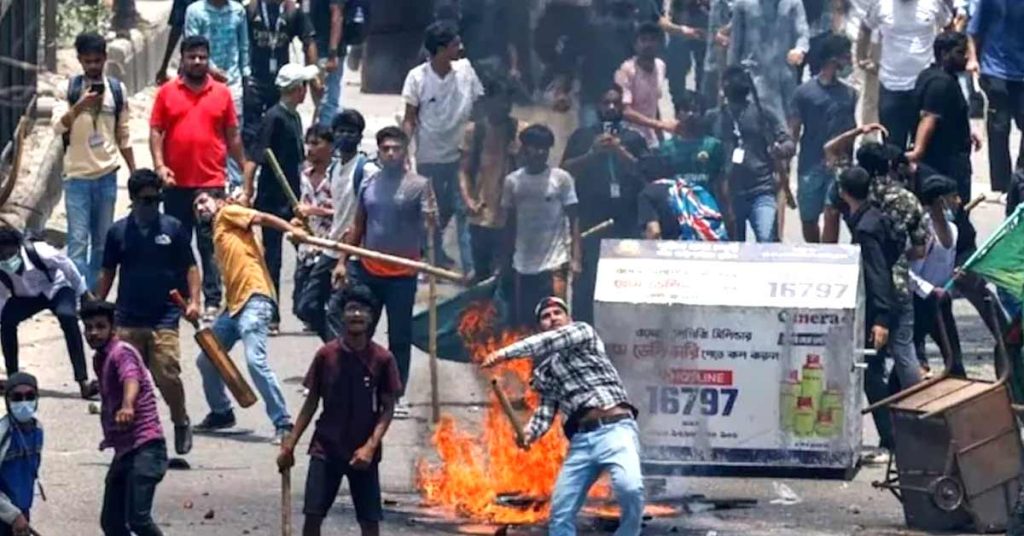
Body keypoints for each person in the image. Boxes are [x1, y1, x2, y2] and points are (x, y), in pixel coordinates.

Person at [481, 296, 643, 536]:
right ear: (541, 326)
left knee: (629, 488)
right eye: (546, 317)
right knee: (560, 511)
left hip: (615, 429)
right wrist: (528, 434)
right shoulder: (546, 372)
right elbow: (545, 412)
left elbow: (548, 341)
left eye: (558, 313)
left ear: (569, 319)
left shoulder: (583, 333)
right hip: (581, 443)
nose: (553, 318)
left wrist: (503, 354)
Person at [277, 284, 400, 536]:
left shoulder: (382, 359)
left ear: (371, 317)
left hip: (362, 453)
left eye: (362, 310)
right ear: (342, 315)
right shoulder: (326, 355)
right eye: (351, 309)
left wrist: (370, 447)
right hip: (326, 448)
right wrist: (290, 444)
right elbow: (311, 402)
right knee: (313, 517)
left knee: (369, 522)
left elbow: (388, 409)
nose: (357, 315)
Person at [333, 127, 436, 419]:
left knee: (400, 336)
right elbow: (358, 225)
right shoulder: (369, 184)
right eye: (386, 149)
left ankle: (395, 394)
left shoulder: (419, 185)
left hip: (403, 274)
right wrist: (342, 261)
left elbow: (431, 229)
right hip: (368, 269)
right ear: (378, 152)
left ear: (405, 152)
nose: (391, 153)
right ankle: (357, 387)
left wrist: (430, 221)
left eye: (396, 148)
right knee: (359, 330)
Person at [96, 169, 200, 457]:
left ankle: (180, 420)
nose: (152, 206)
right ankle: (131, 438)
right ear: (133, 200)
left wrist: (194, 301)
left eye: (156, 199)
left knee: (167, 373)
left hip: (164, 315)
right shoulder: (118, 232)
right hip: (128, 316)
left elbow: (191, 267)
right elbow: (107, 271)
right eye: (146, 200)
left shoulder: (173, 228)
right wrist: (96, 305)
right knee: (126, 379)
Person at [150, 35, 251, 323]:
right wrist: (160, 166)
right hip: (175, 183)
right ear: (182, 59)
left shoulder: (222, 93)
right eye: (192, 57)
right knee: (177, 242)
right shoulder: (167, 92)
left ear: (208, 60)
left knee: (210, 243)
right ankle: (181, 298)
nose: (197, 62)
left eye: (202, 57)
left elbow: (232, 134)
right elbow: (156, 130)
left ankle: (212, 299)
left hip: (211, 182)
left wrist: (244, 168)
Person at [191, 190, 303, 442]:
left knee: (255, 361)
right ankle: (221, 412)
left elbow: (262, 217)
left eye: (203, 201)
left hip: (255, 299)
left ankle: (283, 423)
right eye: (195, 206)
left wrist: (290, 230)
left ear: (219, 201)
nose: (199, 208)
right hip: (233, 307)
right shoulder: (219, 234)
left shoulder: (227, 213)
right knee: (207, 359)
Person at [54, 32, 135, 290]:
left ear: (105, 58)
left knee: (102, 243)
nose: (93, 66)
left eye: (97, 61)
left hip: (106, 176)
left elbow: (123, 134)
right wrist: (80, 105)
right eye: (87, 61)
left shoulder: (116, 91)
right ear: (79, 60)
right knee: (78, 242)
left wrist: (134, 172)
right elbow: (57, 126)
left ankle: (96, 297)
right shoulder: (68, 89)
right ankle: (81, 297)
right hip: (76, 178)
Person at [402, 20, 484, 273]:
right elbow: (409, 118)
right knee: (434, 210)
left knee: (463, 209)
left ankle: (470, 268)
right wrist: (404, 151)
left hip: (462, 155)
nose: (460, 48)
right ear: (439, 49)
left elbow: (479, 107)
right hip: (430, 156)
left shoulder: (466, 71)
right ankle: (434, 255)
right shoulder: (417, 78)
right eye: (455, 44)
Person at [244, 63, 320, 333]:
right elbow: (255, 157)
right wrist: (247, 191)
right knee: (273, 258)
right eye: (304, 87)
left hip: (294, 198)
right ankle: (272, 315)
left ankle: (309, 309)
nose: (306, 92)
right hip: (272, 198)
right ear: (297, 89)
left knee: (309, 252)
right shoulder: (273, 118)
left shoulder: (295, 117)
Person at [81, 300, 167, 536]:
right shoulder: (100, 358)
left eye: (100, 326)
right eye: (88, 328)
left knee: (139, 520)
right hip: (125, 450)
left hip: (146, 447)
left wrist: (128, 406)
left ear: (113, 328)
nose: (93, 333)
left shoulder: (122, 352)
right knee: (112, 523)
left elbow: (131, 378)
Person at [562, 84, 647, 322]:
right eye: (606, 103)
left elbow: (647, 172)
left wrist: (620, 151)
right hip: (591, 218)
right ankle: (583, 326)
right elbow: (565, 170)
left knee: (626, 279)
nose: (610, 108)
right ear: (598, 107)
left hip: (626, 219)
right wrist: (592, 154)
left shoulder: (634, 138)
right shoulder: (582, 136)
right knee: (587, 279)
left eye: (616, 103)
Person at [296, 109, 379, 342]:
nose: (345, 136)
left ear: (360, 137)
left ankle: (345, 354)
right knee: (307, 305)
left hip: (354, 252)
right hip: (331, 247)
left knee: (336, 309)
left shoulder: (367, 170)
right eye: (341, 131)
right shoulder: (334, 169)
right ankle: (340, 350)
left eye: (351, 132)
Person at [837, 166, 902, 458]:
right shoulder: (874, 216)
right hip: (884, 305)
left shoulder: (866, 229)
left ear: (844, 192)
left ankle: (891, 439)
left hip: (877, 311)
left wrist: (881, 319)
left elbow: (877, 274)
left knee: (873, 376)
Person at [0, 227, 96, 399]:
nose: (7, 259)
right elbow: (1, 296)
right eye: (2, 256)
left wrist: (84, 293)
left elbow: (67, 266)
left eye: (10, 254)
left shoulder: (40, 252)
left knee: (67, 317)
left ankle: (83, 381)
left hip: (56, 289)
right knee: (7, 322)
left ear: (18, 248)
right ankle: (14, 380)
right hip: (25, 296)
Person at [502, 124, 581, 327]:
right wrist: (505, 260)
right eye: (535, 147)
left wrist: (576, 258)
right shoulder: (512, 182)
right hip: (523, 264)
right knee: (527, 323)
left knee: (557, 321)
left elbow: (574, 219)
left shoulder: (561, 179)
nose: (540, 153)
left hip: (555, 262)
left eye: (544, 148)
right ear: (524, 148)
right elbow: (510, 224)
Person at [706, 66, 796, 242]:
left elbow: (788, 143)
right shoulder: (714, 117)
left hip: (761, 190)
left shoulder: (763, 113)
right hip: (728, 195)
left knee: (766, 239)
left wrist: (779, 150)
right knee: (733, 245)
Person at [788, 32, 858, 242]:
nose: (850, 61)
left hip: (838, 166)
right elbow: (794, 130)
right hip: (810, 164)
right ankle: (815, 253)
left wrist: (847, 164)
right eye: (846, 56)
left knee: (832, 212)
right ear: (833, 59)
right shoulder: (803, 93)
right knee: (808, 219)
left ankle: (830, 256)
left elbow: (851, 131)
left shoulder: (850, 94)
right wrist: (785, 164)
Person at [459, 81, 527, 283]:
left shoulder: (521, 131)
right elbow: (464, 171)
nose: (504, 107)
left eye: (507, 102)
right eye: (499, 101)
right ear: (487, 102)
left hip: (510, 216)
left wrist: (518, 155)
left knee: (505, 273)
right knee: (481, 271)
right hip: (482, 213)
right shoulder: (475, 131)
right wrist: (468, 200)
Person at [860, 0, 953, 149]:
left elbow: (948, 26)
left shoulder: (933, 3)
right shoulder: (881, 4)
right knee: (892, 147)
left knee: (925, 146)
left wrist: (946, 62)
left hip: (924, 86)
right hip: (891, 85)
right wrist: (862, 56)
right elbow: (866, 27)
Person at [638, 89, 728, 240]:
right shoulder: (666, 148)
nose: (691, 114)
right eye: (685, 110)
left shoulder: (714, 146)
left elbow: (722, 184)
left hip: (707, 214)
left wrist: (728, 214)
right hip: (676, 216)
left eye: (695, 110)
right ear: (677, 114)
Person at [185, 0, 251, 190]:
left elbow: (243, 46)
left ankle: (236, 185)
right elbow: (191, 47)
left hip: (233, 84)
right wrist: (212, 71)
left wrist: (246, 77)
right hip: (202, 84)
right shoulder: (195, 11)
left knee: (234, 134)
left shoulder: (238, 11)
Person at [908, 30, 980, 202]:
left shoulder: (931, 75)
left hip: (942, 159)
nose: (965, 57)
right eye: (960, 53)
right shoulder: (941, 83)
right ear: (944, 53)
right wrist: (917, 151)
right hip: (946, 164)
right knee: (953, 212)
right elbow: (929, 118)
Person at [243, 0, 317, 155]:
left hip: (282, 81)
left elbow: (309, 41)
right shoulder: (250, 9)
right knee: (251, 128)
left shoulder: (292, 11)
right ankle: (251, 161)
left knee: (281, 123)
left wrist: (313, 75)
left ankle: (277, 161)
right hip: (254, 78)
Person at [910, 174, 964, 377]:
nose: (958, 201)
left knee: (954, 358)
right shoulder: (921, 231)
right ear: (941, 201)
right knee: (912, 362)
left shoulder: (953, 230)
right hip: (919, 302)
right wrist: (929, 291)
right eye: (953, 197)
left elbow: (944, 265)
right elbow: (906, 270)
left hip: (941, 302)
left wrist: (954, 277)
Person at [968, 0, 1024, 193]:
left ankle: (1020, 176)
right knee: (999, 127)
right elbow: (974, 29)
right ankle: (1002, 185)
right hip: (995, 68)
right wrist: (973, 58)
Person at [727, 0, 810, 124]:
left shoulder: (793, 3)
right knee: (755, 120)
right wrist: (730, 76)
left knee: (788, 120)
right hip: (754, 75)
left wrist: (800, 49)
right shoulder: (742, 4)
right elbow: (735, 43)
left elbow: (802, 33)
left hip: (784, 75)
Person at [293, 125, 336, 330]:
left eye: (316, 144)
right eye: (308, 143)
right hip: (307, 247)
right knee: (301, 305)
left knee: (317, 300)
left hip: (330, 245)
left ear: (330, 146)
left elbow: (345, 212)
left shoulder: (338, 176)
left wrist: (314, 211)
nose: (310, 149)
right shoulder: (304, 176)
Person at [614, 22, 673, 148]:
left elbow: (654, 105)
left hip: (652, 138)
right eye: (643, 40)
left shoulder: (660, 66)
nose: (648, 44)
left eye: (652, 40)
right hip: (629, 137)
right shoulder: (626, 70)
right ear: (635, 45)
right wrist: (660, 125)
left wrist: (660, 136)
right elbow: (625, 112)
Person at [0, 373, 42, 536]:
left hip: (22, 511)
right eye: (17, 397)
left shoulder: (38, 430)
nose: (24, 402)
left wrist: (21, 514)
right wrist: (13, 515)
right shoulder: (3, 434)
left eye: (30, 396)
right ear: (8, 401)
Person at [307, 0, 347, 125]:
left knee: (327, 101)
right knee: (320, 99)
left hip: (327, 52)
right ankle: (320, 129)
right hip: (314, 50)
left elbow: (337, 17)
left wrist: (333, 53)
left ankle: (325, 131)